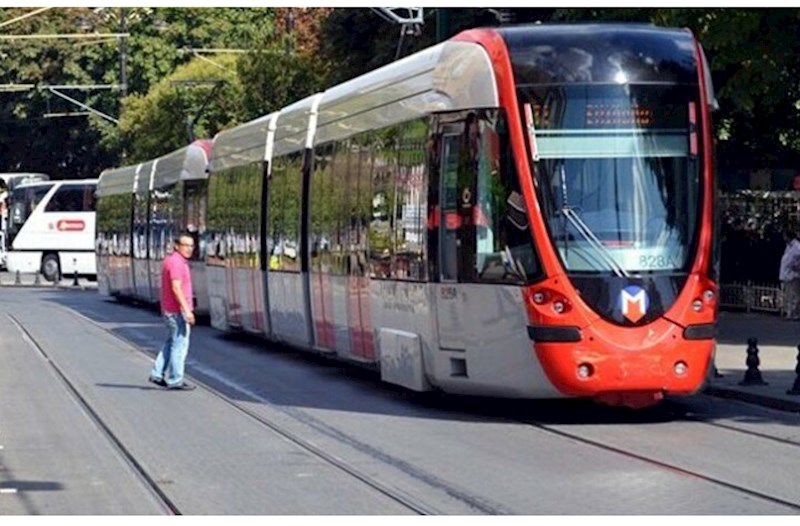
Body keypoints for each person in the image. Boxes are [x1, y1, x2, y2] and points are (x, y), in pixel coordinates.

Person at [148, 232, 197, 390]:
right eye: (186, 245)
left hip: (170, 310)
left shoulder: (173, 260)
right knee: (179, 345)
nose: (189, 249)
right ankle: (176, 379)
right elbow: (176, 288)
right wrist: (187, 310)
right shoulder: (176, 262)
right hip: (176, 311)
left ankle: (157, 373)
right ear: (177, 246)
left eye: (191, 245)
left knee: (171, 342)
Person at [779, 229, 800, 320]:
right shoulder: (788, 246)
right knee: (788, 295)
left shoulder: (797, 246)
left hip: (793, 274)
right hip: (787, 274)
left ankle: (794, 313)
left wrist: (797, 265)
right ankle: (789, 312)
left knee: (794, 295)